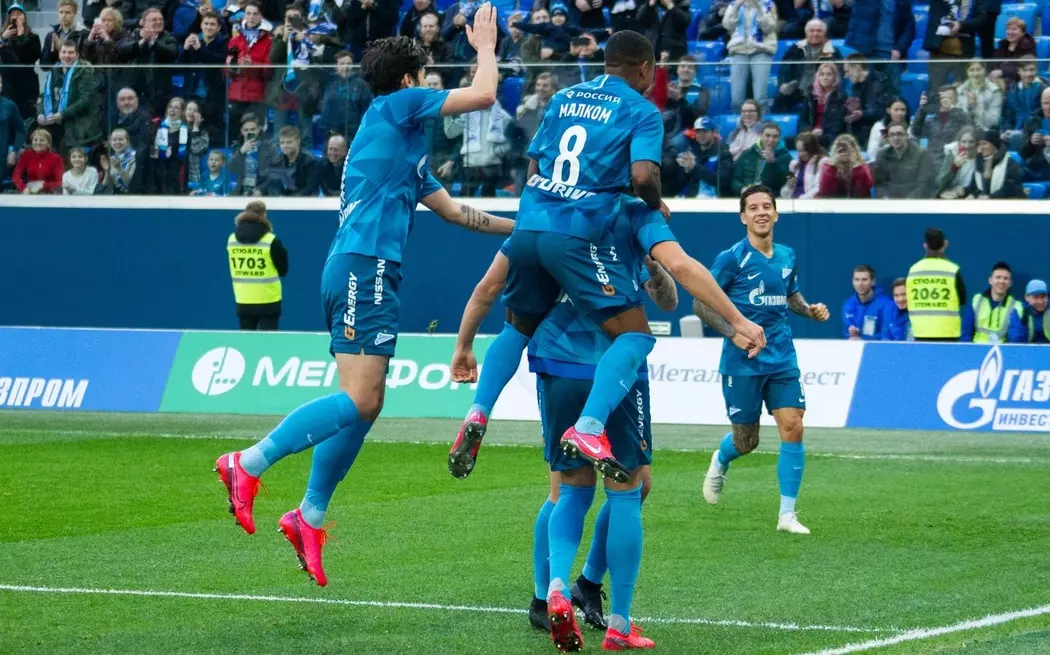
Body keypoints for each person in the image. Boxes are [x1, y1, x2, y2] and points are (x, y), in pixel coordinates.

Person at [213, 10, 515, 591]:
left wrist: (522, 229)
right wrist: (485, 47)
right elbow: (482, 95)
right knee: (359, 398)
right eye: (424, 76)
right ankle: (247, 463)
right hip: (363, 267)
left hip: (365, 268)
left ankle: (309, 515)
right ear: (407, 80)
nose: (429, 85)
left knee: (367, 403)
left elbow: (457, 213)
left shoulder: (404, 148)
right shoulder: (397, 106)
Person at [449, 30, 766, 508]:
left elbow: (534, 168)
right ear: (645, 68)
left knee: (518, 325)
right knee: (636, 336)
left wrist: (463, 346)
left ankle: (479, 411)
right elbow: (645, 181)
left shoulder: (564, 97)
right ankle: (591, 427)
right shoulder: (641, 112)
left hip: (531, 220)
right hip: (578, 233)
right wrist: (653, 203)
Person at [449, 195, 680, 651]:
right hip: (616, 366)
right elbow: (670, 304)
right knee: (628, 489)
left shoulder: (542, 219)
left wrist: (463, 346)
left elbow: (488, 289)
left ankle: (557, 591)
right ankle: (614, 618)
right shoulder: (631, 214)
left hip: (555, 363)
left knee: (569, 489)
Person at [697, 184, 830, 535]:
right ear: (743, 217)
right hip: (742, 362)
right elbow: (700, 304)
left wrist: (809, 310)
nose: (761, 212)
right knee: (747, 441)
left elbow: (791, 295)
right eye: (753, 208)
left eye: (766, 206)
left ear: (776, 213)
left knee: (793, 425)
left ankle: (787, 515)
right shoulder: (731, 259)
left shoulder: (787, 255)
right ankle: (721, 458)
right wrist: (734, 333)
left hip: (782, 357)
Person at [227, 201, 288, 330]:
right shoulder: (271, 240)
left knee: (246, 341)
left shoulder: (232, 240)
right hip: (269, 300)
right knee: (268, 341)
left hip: (243, 299)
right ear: (264, 215)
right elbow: (283, 269)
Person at [905, 227, 967, 342]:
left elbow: (909, 299)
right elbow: (962, 299)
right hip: (948, 332)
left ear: (925, 246)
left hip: (920, 332)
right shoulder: (952, 269)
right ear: (945, 244)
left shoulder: (913, 270)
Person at [722, 0, 777, 111]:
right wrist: (737, 7)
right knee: (736, 99)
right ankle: (738, 121)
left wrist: (759, 8)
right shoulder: (733, 4)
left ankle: (762, 122)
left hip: (761, 50)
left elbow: (768, 28)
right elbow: (728, 26)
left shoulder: (768, 4)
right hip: (738, 50)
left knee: (760, 98)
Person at [873, 120, 934, 199]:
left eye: (899, 134)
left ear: (907, 136)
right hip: (890, 200)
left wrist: (906, 202)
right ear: (888, 138)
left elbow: (923, 185)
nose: (896, 138)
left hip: (914, 200)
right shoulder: (882, 154)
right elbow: (879, 184)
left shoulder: (922, 154)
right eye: (892, 135)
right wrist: (885, 198)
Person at [964, 261, 1021, 344]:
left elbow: (1015, 338)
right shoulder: (977, 300)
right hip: (976, 348)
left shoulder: (1016, 306)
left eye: (1005, 278)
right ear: (990, 280)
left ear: (1010, 283)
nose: (1001, 281)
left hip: (1002, 350)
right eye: (998, 277)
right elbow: (966, 332)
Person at [731, 120, 791, 195]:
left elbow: (782, 185)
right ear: (761, 135)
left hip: (769, 196)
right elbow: (735, 180)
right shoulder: (747, 154)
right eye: (767, 136)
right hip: (746, 194)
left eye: (775, 137)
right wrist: (742, 189)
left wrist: (772, 164)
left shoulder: (786, 157)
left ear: (779, 138)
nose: (771, 140)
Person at [966, 128, 1024, 199]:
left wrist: (991, 197)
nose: (981, 148)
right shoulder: (979, 162)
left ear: (994, 146)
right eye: (979, 144)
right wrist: (972, 194)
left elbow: (1013, 188)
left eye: (984, 144)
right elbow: (974, 186)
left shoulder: (1009, 163)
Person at [798, 61, 846, 146]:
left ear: (835, 77)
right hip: (811, 134)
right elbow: (802, 121)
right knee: (788, 141)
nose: (825, 77)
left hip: (829, 136)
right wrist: (811, 130)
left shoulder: (840, 97)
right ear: (818, 77)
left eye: (829, 74)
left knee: (813, 142)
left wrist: (822, 131)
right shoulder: (810, 96)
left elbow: (838, 124)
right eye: (822, 74)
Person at [842, 264, 893, 340]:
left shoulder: (886, 305)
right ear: (852, 281)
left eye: (864, 280)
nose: (860, 284)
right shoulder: (848, 305)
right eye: (857, 279)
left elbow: (888, 336)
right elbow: (846, 333)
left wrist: (862, 338)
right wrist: (852, 334)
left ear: (873, 281)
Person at [819, 133, 873, 198]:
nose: (844, 153)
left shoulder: (862, 166)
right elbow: (824, 190)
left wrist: (856, 166)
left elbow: (865, 191)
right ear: (835, 151)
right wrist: (832, 167)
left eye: (848, 150)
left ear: (854, 151)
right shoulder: (828, 166)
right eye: (841, 150)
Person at [955, 60, 1002, 131]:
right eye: (972, 70)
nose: (975, 74)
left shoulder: (994, 91)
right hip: (963, 132)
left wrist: (976, 106)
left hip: (986, 131)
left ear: (984, 71)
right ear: (967, 72)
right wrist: (970, 108)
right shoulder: (959, 91)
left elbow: (993, 122)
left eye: (979, 69)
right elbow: (956, 120)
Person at [12, 129, 64, 193]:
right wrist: (23, 188)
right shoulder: (26, 155)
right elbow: (16, 175)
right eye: (35, 140)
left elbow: (60, 182)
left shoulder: (56, 158)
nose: (38, 142)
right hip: (29, 190)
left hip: (49, 192)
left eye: (42, 140)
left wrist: (43, 186)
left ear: (48, 144)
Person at [782, 130, 826, 199]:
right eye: (798, 151)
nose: (801, 154)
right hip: (793, 201)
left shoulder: (822, 162)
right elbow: (785, 194)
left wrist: (801, 199)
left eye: (803, 150)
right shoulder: (794, 164)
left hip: (809, 202)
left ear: (812, 149)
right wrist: (788, 186)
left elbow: (818, 188)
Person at [936, 126, 977, 199]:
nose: (967, 146)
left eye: (971, 142)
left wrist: (966, 191)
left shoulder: (979, 158)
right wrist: (954, 167)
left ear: (977, 143)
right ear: (959, 143)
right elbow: (940, 184)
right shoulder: (952, 155)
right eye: (963, 142)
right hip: (948, 196)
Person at [1007, 279, 1049, 344]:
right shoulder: (1019, 312)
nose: (1040, 301)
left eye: (1043, 297)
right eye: (1036, 297)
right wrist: (1024, 323)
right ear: (1027, 297)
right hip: (1027, 349)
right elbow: (1016, 342)